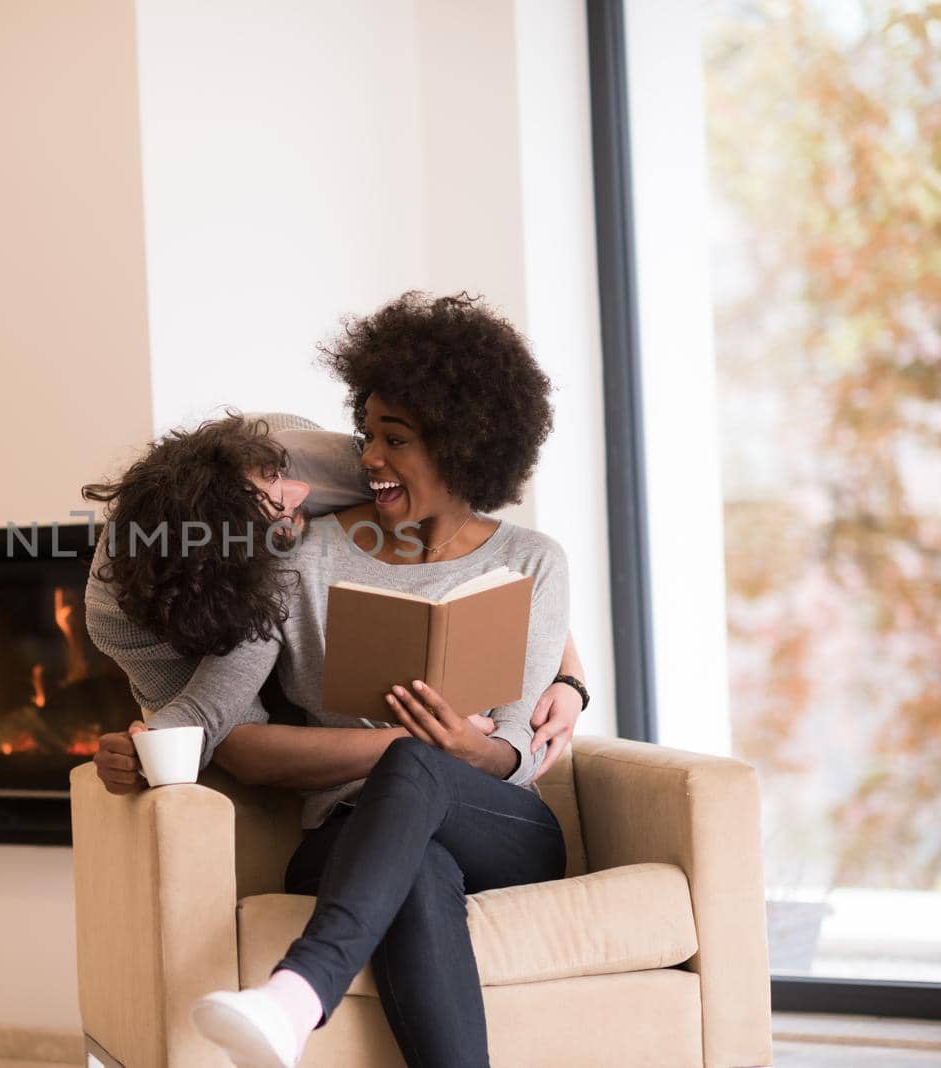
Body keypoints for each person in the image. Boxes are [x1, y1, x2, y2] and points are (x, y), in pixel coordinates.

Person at [85, 292, 579, 1067]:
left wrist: (471, 744)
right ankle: (293, 1003)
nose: (368, 457)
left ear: (463, 446)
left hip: (501, 826)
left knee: (416, 758)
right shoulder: (296, 555)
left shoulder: (533, 560)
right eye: (369, 433)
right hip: (345, 835)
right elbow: (220, 697)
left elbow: (515, 745)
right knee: (415, 862)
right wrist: (148, 740)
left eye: (394, 439)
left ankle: (296, 995)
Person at [83, 413, 586, 795]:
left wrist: (568, 675)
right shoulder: (120, 618)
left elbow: (485, 555)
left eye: (278, 475)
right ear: (237, 561)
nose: (300, 492)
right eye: (278, 507)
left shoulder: (335, 465)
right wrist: (138, 751)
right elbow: (223, 734)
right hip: (273, 660)